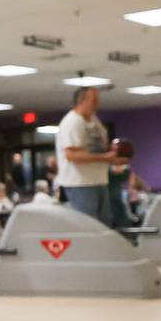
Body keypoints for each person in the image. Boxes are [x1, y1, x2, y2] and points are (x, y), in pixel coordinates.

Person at [55, 86, 125, 225]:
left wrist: (115, 157)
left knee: (104, 226)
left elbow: (102, 149)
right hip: (80, 184)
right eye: (94, 100)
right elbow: (72, 155)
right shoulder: (72, 122)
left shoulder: (94, 120)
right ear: (82, 101)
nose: (97, 104)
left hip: (99, 181)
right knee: (89, 226)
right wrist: (106, 158)